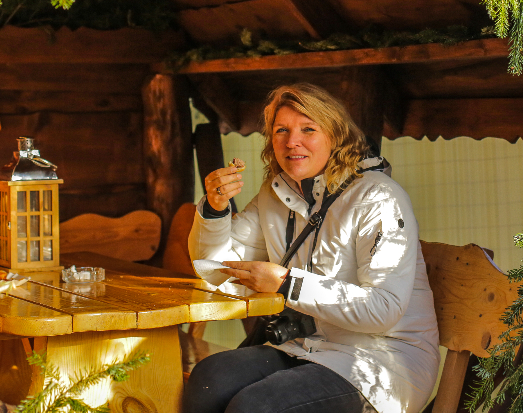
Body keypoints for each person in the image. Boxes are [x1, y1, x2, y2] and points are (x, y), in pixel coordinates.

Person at [184, 83, 440, 413]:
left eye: (308, 129)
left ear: (336, 135)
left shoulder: (377, 197)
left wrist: (287, 284)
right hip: (309, 348)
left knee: (257, 406)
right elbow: (216, 270)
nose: (293, 142)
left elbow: (384, 308)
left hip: (383, 364)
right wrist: (216, 208)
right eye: (281, 131)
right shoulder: (275, 194)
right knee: (211, 377)